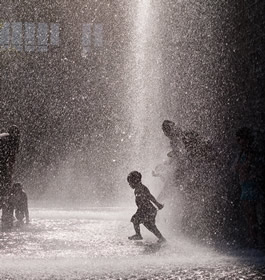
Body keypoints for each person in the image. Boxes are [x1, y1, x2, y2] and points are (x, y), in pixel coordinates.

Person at [232, 127, 260, 246]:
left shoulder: (251, 152)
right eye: (237, 140)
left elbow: (254, 167)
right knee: (249, 216)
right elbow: (234, 168)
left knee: (253, 215)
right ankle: (252, 240)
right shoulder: (242, 153)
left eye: (240, 139)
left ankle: (255, 241)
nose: (238, 142)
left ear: (246, 139)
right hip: (244, 186)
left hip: (252, 186)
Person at [127, 171, 166, 242]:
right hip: (147, 209)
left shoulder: (140, 189)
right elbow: (150, 196)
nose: (129, 184)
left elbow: (149, 197)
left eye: (130, 182)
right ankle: (161, 238)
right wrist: (157, 204)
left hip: (146, 209)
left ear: (134, 181)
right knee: (149, 225)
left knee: (137, 221)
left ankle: (138, 235)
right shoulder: (140, 188)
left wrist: (157, 204)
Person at [0, 125, 20, 230]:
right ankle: (6, 217)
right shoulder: (10, 141)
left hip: (2, 168)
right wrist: (9, 176)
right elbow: (11, 161)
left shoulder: (5, 137)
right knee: (5, 193)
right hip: (2, 169)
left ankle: (6, 217)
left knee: (5, 192)